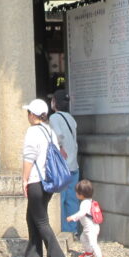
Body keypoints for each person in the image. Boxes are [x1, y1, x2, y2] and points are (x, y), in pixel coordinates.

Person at [21, 98, 66, 257]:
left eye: (28, 113)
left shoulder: (32, 131)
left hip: (35, 180)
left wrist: (24, 179)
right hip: (49, 181)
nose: (27, 116)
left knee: (40, 221)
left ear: (33, 115)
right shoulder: (49, 131)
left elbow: (29, 157)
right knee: (32, 217)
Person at [49, 89, 79, 234]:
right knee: (72, 199)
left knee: (60, 199)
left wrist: (60, 146)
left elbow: (57, 135)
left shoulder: (54, 118)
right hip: (73, 164)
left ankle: (61, 230)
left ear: (55, 102)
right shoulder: (70, 118)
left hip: (62, 165)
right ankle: (72, 229)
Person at [66, 179, 105, 257]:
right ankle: (89, 253)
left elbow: (81, 213)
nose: (76, 194)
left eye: (77, 192)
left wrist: (72, 217)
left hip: (91, 228)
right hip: (89, 227)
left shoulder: (85, 203)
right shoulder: (89, 201)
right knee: (83, 238)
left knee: (93, 243)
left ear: (81, 194)